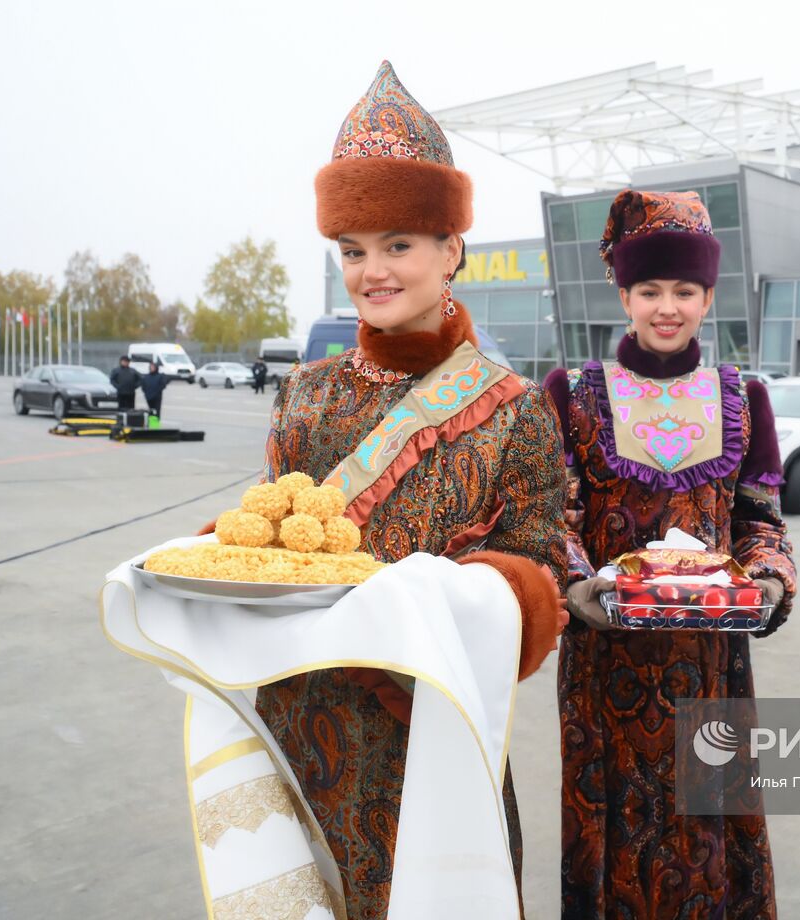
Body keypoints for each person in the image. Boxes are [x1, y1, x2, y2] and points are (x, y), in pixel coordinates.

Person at [249, 61, 569, 918]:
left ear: (452, 248)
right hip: (304, 717)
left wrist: (442, 600)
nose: (372, 272)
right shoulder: (306, 395)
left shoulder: (515, 414)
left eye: (399, 245)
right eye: (353, 251)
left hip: (433, 735)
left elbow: (538, 578)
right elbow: (269, 535)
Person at [544, 189, 797, 920]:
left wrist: (770, 580)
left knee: (705, 841)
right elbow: (551, 518)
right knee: (609, 834)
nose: (667, 307)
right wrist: (576, 583)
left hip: (709, 659)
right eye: (649, 289)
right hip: (603, 667)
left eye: (684, 290)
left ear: (708, 298)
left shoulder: (742, 398)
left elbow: (760, 521)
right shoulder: (575, 393)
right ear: (623, 294)